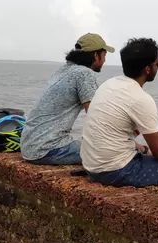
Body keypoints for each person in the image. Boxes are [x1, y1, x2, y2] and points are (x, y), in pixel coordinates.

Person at [81, 38, 158, 187]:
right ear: (147, 69)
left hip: (91, 165)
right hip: (115, 171)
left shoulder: (109, 84)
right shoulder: (140, 99)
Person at [20, 34, 114, 165]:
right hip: (48, 149)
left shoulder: (64, 70)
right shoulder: (85, 74)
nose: (104, 60)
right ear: (95, 56)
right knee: (116, 153)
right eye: (104, 55)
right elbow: (95, 116)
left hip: (29, 146)